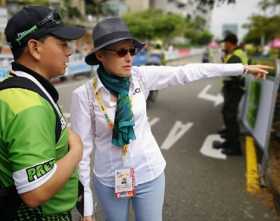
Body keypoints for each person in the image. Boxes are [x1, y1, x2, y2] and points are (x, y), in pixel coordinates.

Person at [70, 17, 270, 221]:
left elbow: (187, 72)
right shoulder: (84, 95)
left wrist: (241, 68)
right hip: (109, 179)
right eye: (121, 52)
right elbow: (82, 153)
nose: (129, 58)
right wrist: (86, 208)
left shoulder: (140, 77)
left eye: (132, 51)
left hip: (149, 173)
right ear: (101, 55)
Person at [0, 6, 85, 220]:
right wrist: (76, 149)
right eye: (62, 43)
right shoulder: (30, 107)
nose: (70, 51)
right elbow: (35, 192)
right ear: (35, 48)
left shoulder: (13, 88)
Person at [213, 32, 249, 156]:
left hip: (234, 89)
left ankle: (235, 147)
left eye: (225, 43)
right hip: (234, 88)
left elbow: (230, 71)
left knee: (230, 116)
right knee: (227, 113)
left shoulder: (236, 55)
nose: (224, 45)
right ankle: (229, 141)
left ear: (229, 43)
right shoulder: (237, 53)